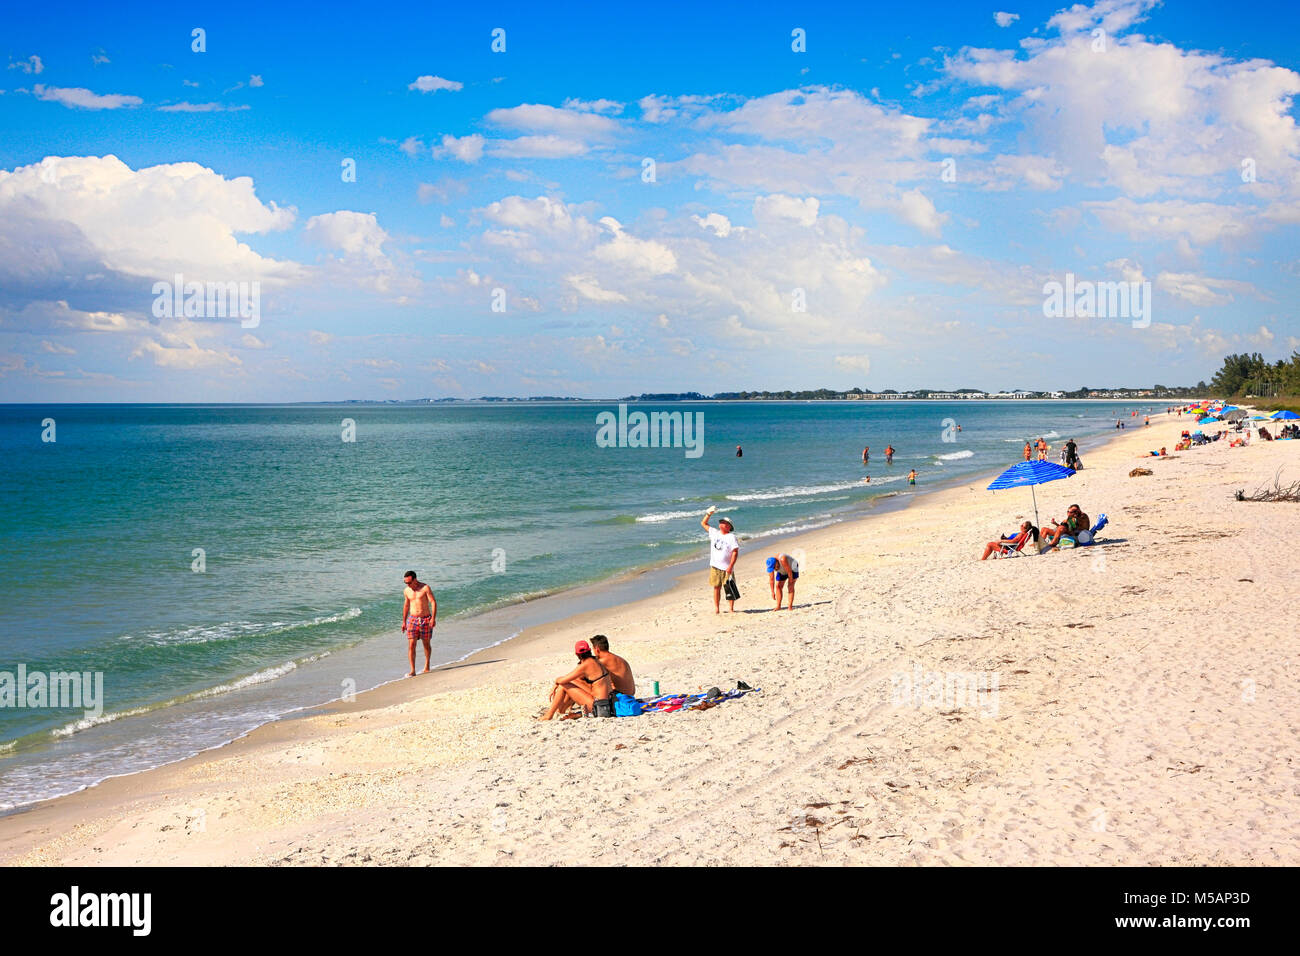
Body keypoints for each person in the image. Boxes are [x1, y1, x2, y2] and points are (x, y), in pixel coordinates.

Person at [539, 640, 615, 720]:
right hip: (609, 704)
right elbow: (574, 679)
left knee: (563, 685)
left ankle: (549, 715)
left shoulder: (585, 665)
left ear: (577, 654)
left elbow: (562, 680)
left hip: (599, 706)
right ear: (589, 650)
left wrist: (556, 682)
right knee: (573, 682)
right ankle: (560, 710)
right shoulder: (596, 661)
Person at [700, 507, 739, 613]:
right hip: (715, 566)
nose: (722, 523)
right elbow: (703, 523)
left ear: (729, 527)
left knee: (729, 588)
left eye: (725, 523)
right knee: (716, 588)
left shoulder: (731, 537)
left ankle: (731, 608)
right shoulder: (714, 533)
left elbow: (735, 552)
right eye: (721, 522)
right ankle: (717, 608)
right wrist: (708, 513)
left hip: (727, 567)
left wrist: (731, 566)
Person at [401, 570, 437, 676]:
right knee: (411, 645)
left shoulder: (425, 588)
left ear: (415, 579)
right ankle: (412, 670)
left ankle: (427, 665)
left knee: (426, 644)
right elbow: (406, 606)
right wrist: (404, 621)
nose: (407, 585)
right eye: (405, 583)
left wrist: (433, 618)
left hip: (426, 619)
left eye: (409, 582)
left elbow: (433, 602)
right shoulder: (407, 591)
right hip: (412, 620)